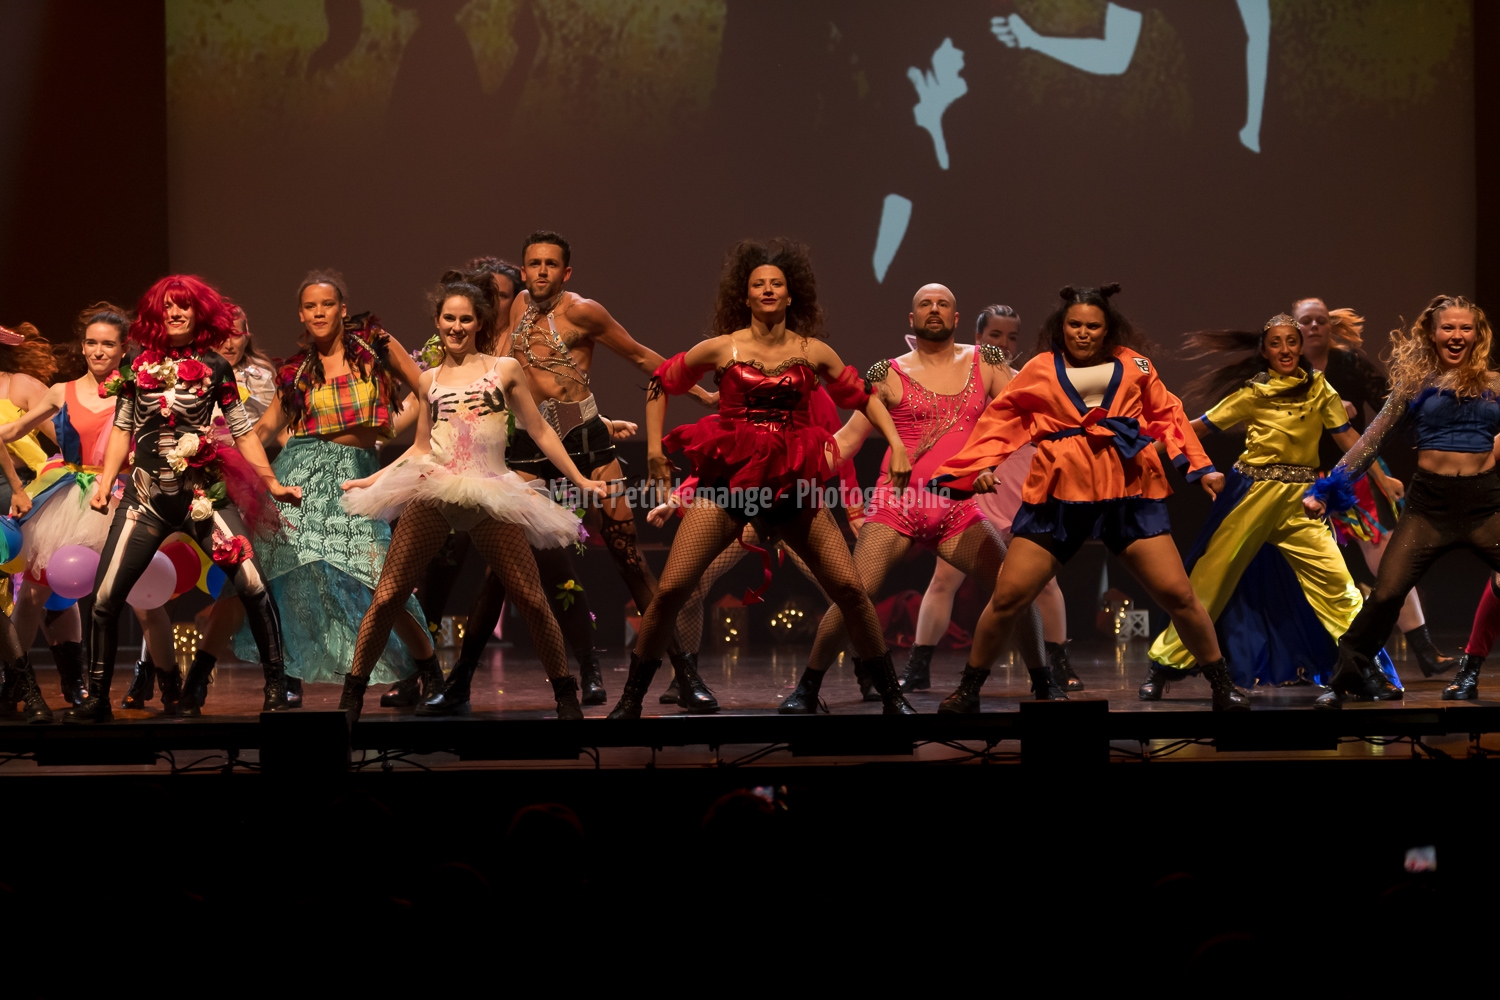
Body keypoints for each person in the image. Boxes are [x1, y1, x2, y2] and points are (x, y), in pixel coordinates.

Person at [611, 237, 915, 718]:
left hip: (792, 484)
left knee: (851, 591)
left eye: (777, 283)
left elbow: (863, 397)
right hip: (731, 483)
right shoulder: (722, 346)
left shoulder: (813, 351)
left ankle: (893, 699)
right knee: (670, 591)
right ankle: (630, 702)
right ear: (746, 295)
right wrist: (653, 451)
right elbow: (661, 382)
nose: (768, 290)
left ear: (791, 296)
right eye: (759, 284)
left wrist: (896, 443)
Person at [933, 283, 1248, 712]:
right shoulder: (1040, 368)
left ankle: (1221, 685)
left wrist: (1202, 467)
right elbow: (1000, 420)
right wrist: (977, 468)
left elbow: (1169, 415)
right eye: (1075, 325)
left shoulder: (1135, 365)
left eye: (1092, 326)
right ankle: (968, 690)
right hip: (1059, 497)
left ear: (1107, 328)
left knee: (1179, 595)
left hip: (1128, 494)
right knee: (1008, 598)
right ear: (1061, 327)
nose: (1083, 333)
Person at [779, 283, 1054, 715]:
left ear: (956, 318)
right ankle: (807, 688)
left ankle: (1044, 684)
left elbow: (1025, 416)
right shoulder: (886, 372)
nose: (934, 309)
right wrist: (790, 473)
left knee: (1013, 589)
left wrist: (989, 463)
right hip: (897, 505)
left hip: (957, 508)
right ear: (912, 318)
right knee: (854, 593)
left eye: (943, 304)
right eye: (925, 304)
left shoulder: (987, 361)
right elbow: (848, 440)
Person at [339, 281, 607, 722]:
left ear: (479, 323)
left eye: (466, 319)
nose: (457, 326)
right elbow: (421, 447)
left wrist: (579, 478)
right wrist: (373, 479)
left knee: (531, 598)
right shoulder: (429, 380)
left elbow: (539, 429)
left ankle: (565, 695)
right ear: (437, 321)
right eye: (449, 318)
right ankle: (351, 697)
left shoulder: (504, 369)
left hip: (489, 490)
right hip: (437, 487)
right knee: (387, 596)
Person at [64, 274, 302, 723]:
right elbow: (122, 428)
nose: (174, 313)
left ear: (199, 313)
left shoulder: (216, 366)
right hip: (145, 498)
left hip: (202, 495)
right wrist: (105, 483)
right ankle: (97, 699)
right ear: (156, 314)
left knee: (253, 585)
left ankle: (275, 686)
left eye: (184, 306)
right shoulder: (136, 366)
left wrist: (272, 483)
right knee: (105, 599)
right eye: (167, 306)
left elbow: (242, 430)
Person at [1138, 314, 1401, 698]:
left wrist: (1381, 477)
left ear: (1300, 347)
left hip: (1302, 502)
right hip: (1252, 496)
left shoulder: (1319, 389)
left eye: (1291, 341)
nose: (1285, 349)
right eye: (1276, 343)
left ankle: (1365, 667)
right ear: (1264, 351)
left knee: (1338, 584)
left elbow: (1349, 439)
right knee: (1210, 581)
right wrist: (1151, 451)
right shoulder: (1254, 392)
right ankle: (1163, 665)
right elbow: (1200, 427)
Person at [503, 231, 716, 704]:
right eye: (534, 263)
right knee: (513, 566)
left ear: (566, 272)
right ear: (523, 270)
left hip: (587, 445)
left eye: (551, 264)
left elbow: (640, 355)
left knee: (629, 559)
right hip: (530, 448)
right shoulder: (517, 306)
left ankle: (685, 675)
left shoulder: (583, 312)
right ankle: (574, 670)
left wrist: (700, 393)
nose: (541, 271)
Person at [229, 271, 438, 710]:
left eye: (327, 304)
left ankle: (428, 672)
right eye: (310, 306)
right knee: (286, 574)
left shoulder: (375, 347)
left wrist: (407, 438)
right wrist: (227, 461)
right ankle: (287, 675)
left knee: (382, 580)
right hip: (300, 475)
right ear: (301, 315)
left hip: (355, 476)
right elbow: (262, 430)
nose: (319, 313)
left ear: (343, 309)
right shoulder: (297, 370)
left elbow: (426, 388)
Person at [1305, 295, 1500, 706]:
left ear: (1477, 335)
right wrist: (1326, 491)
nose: (1457, 335)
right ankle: (1346, 680)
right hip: (1429, 507)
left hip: (1484, 504)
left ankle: (1468, 670)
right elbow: (1370, 441)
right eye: (1448, 327)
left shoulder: (1495, 385)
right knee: (1387, 593)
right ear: (1433, 334)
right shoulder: (1415, 386)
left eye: (1465, 328)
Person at [0, 303, 179, 711]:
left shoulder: (139, 391)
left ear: (123, 349)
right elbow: (15, 429)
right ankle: (16, 686)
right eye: (92, 343)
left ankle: (171, 686)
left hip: (122, 494)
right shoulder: (61, 391)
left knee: (144, 600)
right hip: (69, 496)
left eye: (108, 345)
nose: (99, 351)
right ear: (82, 346)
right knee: (33, 594)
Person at [905, 303, 1077, 693]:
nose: (1004, 343)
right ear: (978, 337)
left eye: (1012, 337)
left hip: (1021, 488)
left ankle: (1058, 662)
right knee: (944, 579)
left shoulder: (1024, 379)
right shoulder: (965, 377)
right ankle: (918, 665)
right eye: (995, 335)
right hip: (977, 488)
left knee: (1044, 582)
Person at [1294, 297, 1454, 677]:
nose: (1314, 327)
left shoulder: (1349, 363)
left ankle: (1424, 650)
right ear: (1295, 327)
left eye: (1321, 320)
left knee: (1389, 561)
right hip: (1302, 478)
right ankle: (1308, 659)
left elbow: (1390, 406)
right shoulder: (1286, 368)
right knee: (1307, 571)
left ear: (1330, 326)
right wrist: (1325, 406)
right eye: (1306, 321)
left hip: (1354, 474)